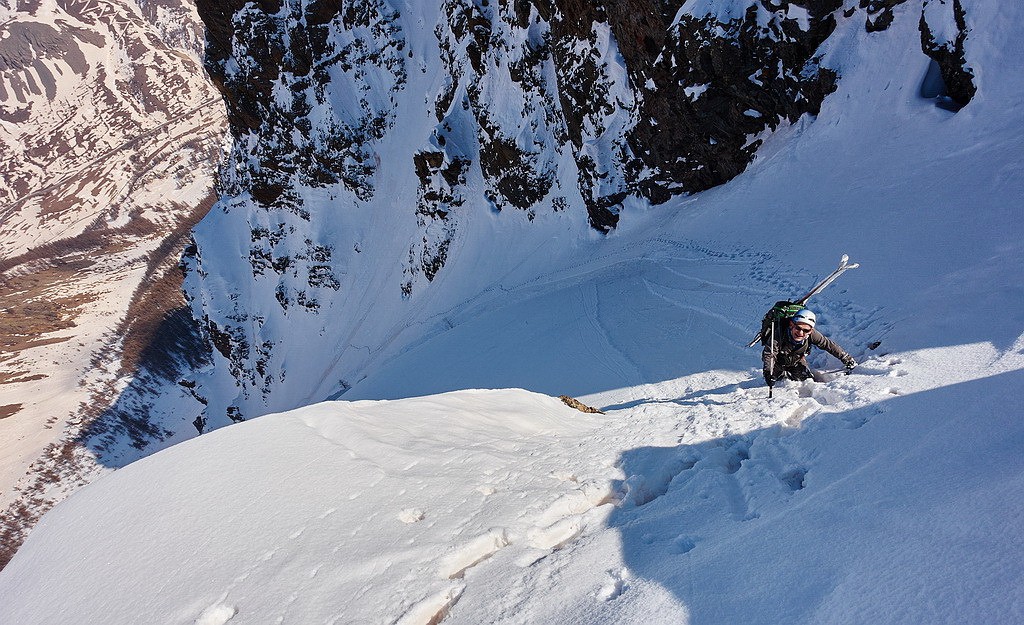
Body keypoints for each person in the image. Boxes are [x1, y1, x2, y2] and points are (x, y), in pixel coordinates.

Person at [762, 307, 856, 388]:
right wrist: (768, 372)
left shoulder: (813, 334)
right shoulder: (778, 334)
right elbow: (769, 353)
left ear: (811, 330)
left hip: (797, 361)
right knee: (776, 382)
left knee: (806, 381)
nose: (801, 333)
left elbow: (828, 345)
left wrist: (846, 359)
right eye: (798, 328)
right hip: (776, 362)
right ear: (791, 325)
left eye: (806, 330)